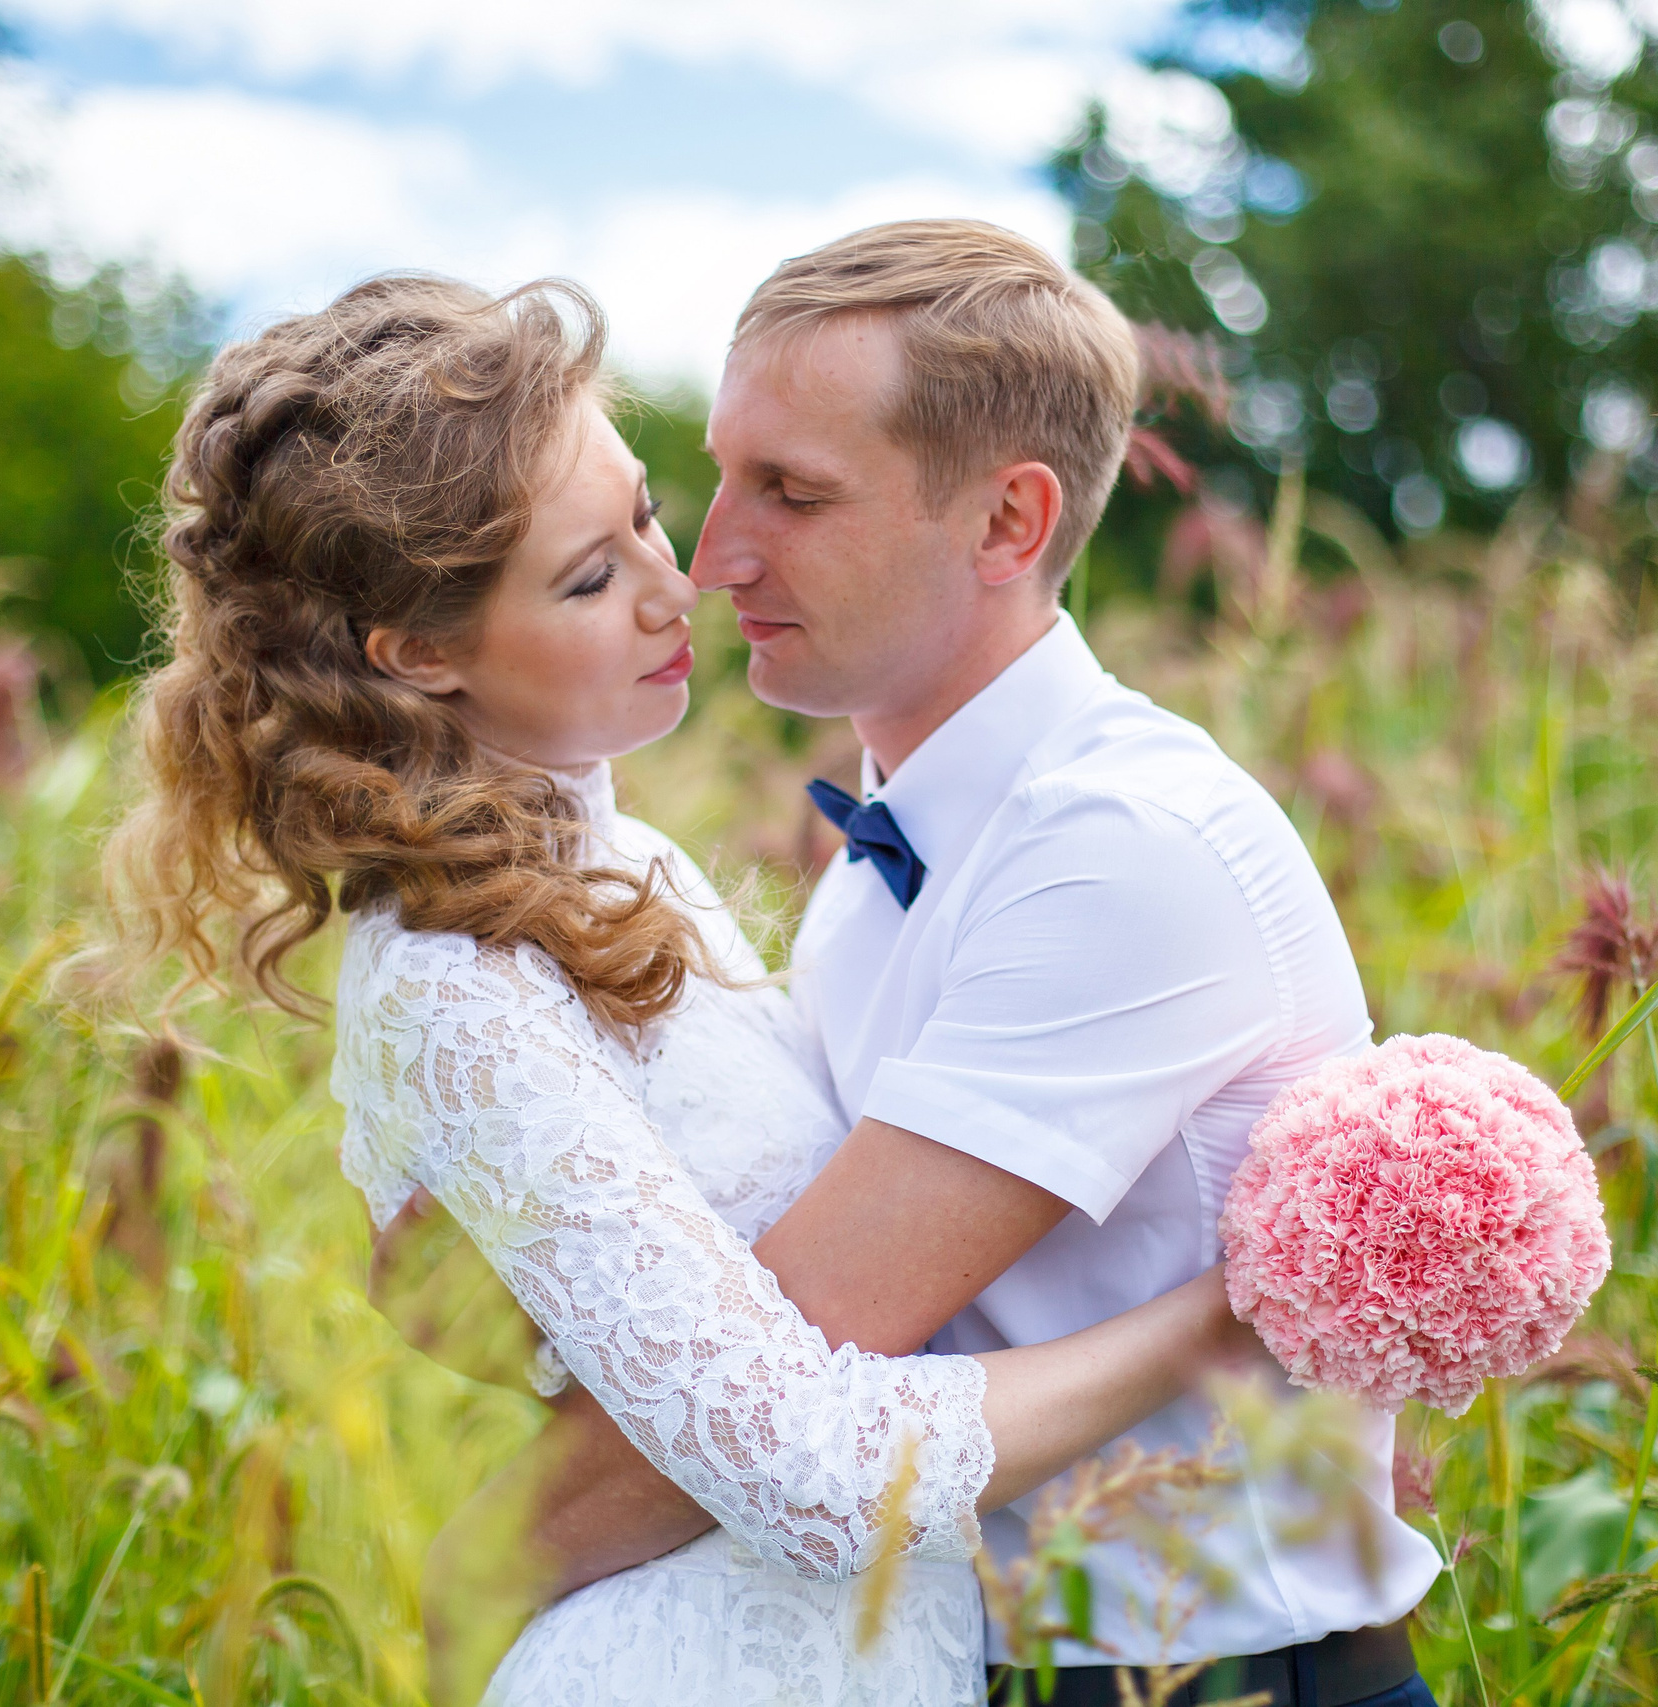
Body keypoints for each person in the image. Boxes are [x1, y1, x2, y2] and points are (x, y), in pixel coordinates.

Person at [107, 271, 1270, 1707]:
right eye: (591, 578)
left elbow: (734, 1293)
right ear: (417, 653)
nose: (688, 580)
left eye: (646, 513)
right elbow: (814, 1469)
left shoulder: (627, 860)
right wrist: (1225, 1317)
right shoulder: (451, 986)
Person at [483, 222, 1445, 1706]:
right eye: (720, 479)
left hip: (1204, 1676)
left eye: (795, 494)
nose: (718, 558)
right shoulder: (897, 843)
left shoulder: (1118, 847)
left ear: (1008, 523)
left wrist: (444, 1586)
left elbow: (764, 1387)